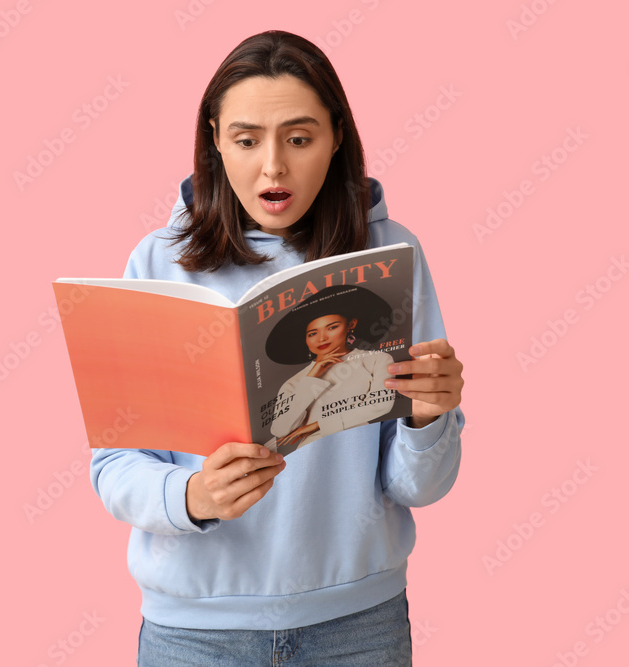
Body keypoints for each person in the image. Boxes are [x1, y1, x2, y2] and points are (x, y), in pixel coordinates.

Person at [89, 30, 464, 666]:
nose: (273, 168)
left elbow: (417, 487)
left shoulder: (390, 256)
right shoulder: (157, 262)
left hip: (359, 628)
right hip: (195, 636)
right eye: (246, 140)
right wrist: (192, 497)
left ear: (337, 135)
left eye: (298, 138)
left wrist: (428, 420)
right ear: (214, 138)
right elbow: (115, 466)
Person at [265, 285, 397, 454]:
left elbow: (381, 405)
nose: (322, 338)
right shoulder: (295, 382)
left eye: (332, 327)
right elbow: (281, 429)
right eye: (312, 333)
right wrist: (312, 376)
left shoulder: (377, 359)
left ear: (351, 325)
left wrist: (319, 424)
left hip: (360, 448)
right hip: (309, 455)